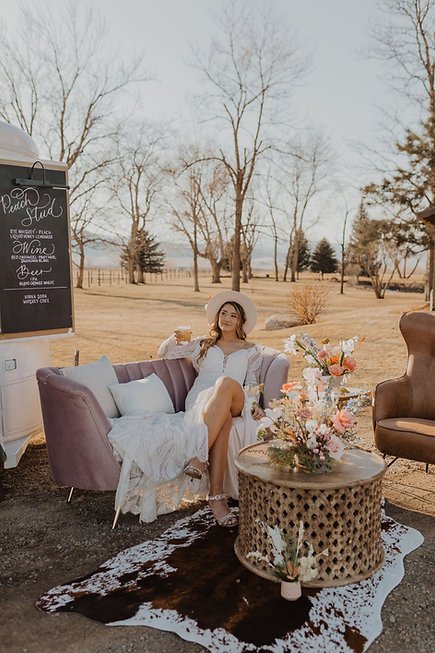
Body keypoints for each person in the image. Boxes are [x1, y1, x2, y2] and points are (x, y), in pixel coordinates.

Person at [157, 290, 265, 528]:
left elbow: (253, 383)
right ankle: (216, 498)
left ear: (240, 321)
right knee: (223, 418)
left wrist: (255, 403)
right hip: (202, 399)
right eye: (223, 313)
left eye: (232, 315)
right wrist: (174, 338)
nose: (226, 318)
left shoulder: (252, 350)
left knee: (224, 383)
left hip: (235, 396)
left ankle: (199, 457)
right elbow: (165, 353)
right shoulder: (202, 345)